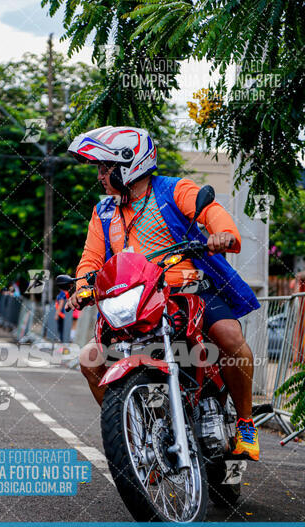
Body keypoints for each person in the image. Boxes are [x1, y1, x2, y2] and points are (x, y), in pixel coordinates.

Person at [66, 125, 260, 461]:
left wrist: (222, 234)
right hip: (133, 302)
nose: (99, 176)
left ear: (129, 164)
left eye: (104, 168)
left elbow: (211, 212)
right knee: (89, 359)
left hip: (187, 292)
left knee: (228, 335)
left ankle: (245, 424)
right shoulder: (104, 212)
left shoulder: (173, 189)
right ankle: (135, 436)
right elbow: (91, 259)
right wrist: (82, 286)